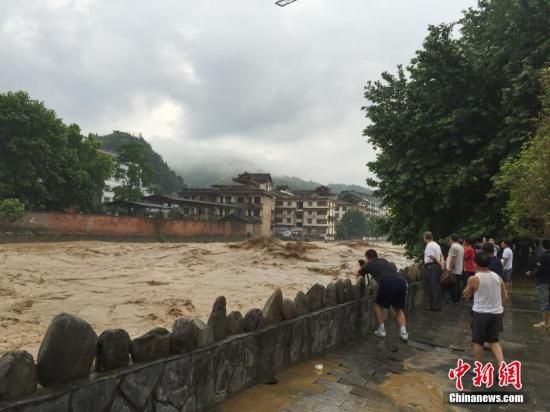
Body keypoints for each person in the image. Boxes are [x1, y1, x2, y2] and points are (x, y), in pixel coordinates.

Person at [463, 251, 507, 367]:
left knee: (478, 342)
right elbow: (505, 297)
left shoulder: (474, 278)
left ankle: (479, 368)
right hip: (497, 313)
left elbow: (466, 295)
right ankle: (502, 366)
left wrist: (467, 289)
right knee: (494, 341)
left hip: (481, 313)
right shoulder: (498, 277)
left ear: (475, 263)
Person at [357, 249, 408, 341]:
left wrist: (361, 265)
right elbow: (379, 267)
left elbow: (358, 273)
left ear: (367, 258)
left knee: (378, 305)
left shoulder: (369, 265)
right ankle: (404, 333)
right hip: (401, 282)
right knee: (398, 309)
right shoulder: (384, 261)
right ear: (376, 256)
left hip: (387, 283)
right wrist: (366, 265)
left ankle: (381, 330)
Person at [527, 239, 550, 328]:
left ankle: (545, 322)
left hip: (543, 281)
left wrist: (531, 273)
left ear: (543, 246)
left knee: (544, 301)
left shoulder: (543, 256)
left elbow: (539, 270)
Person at [423, 231, 443, 311]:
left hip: (432, 267)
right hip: (436, 267)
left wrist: (437, 262)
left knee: (432, 286)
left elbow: (431, 255)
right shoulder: (436, 244)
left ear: (425, 237)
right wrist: (441, 263)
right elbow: (441, 255)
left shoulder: (429, 245)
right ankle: (436, 305)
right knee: (436, 286)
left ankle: (434, 306)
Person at [445, 233, 464, 303]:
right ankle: (457, 298)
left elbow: (453, 258)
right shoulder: (461, 246)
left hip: (454, 269)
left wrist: (450, 268)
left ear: (451, 239)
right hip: (459, 268)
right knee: (457, 284)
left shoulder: (453, 247)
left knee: (452, 285)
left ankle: (454, 299)